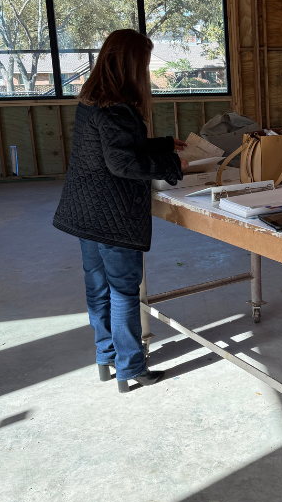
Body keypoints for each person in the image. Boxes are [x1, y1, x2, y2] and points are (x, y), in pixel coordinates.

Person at [53, 29, 188, 392]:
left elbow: (112, 146)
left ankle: (105, 357)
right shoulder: (118, 108)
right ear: (131, 64)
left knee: (97, 288)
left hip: (84, 213)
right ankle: (131, 368)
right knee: (124, 291)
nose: (146, 71)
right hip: (112, 216)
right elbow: (122, 163)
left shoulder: (92, 100)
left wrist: (160, 144)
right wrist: (172, 165)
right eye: (144, 63)